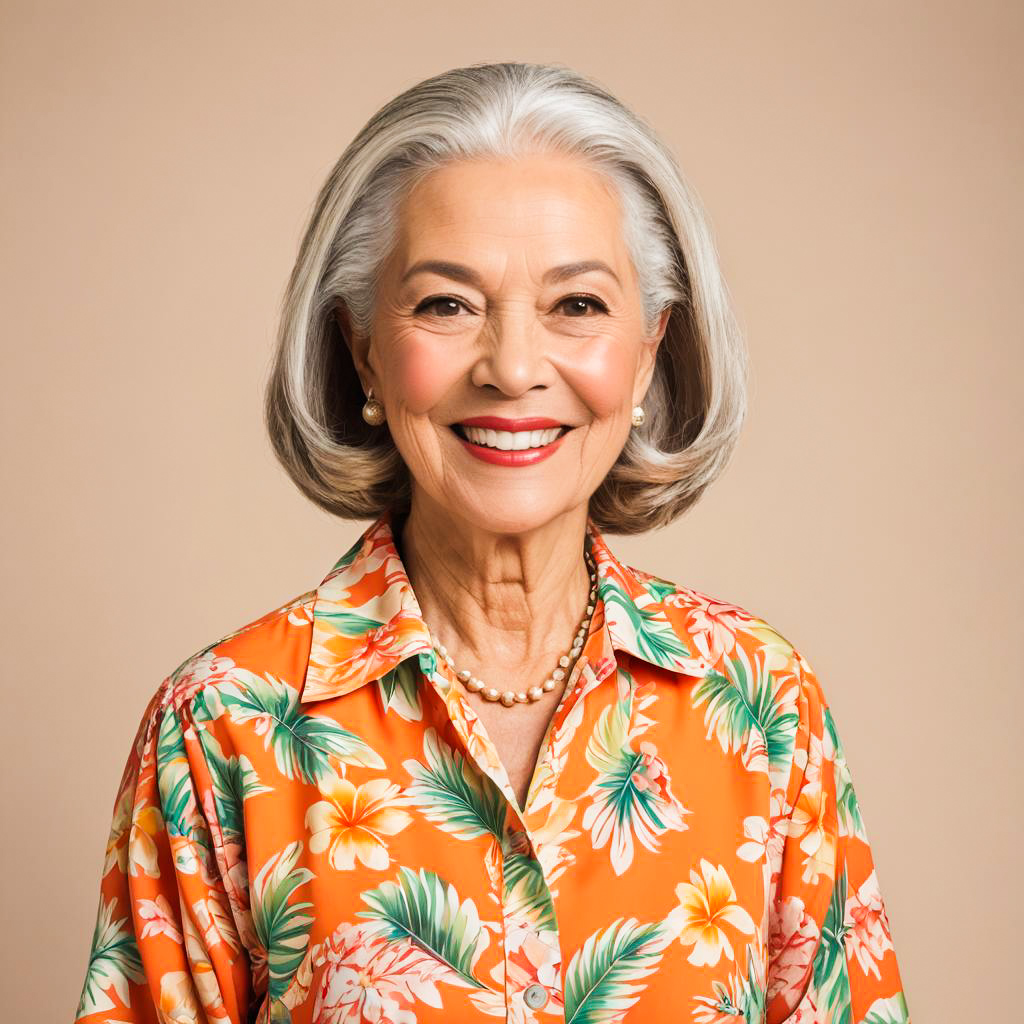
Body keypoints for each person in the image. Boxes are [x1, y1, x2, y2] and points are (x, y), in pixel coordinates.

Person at [73, 61, 910, 1024]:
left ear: (648, 350)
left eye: (578, 306)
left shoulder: (762, 707)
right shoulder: (220, 726)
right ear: (363, 353)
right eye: (446, 304)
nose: (513, 368)